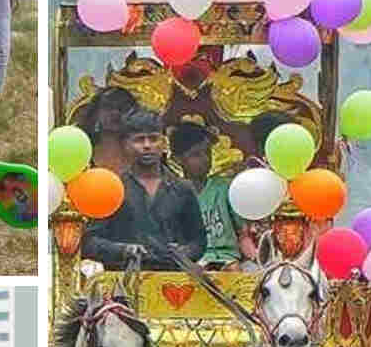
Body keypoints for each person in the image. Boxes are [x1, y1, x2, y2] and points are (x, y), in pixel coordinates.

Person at [81, 109, 207, 269]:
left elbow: (199, 241)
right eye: (139, 140)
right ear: (125, 144)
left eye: (153, 139)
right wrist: (124, 250)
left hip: (172, 283)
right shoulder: (112, 188)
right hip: (124, 282)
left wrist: (184, 252)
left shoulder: (183, 189)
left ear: (163, 143)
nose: (147, 146)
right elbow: (89, 242)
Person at [169, 121, 256, 268]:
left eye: (207, 152)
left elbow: (243, 234)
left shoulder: (225, 188)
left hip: (228, 261)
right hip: (190, 264)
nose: (205, 159)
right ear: (178, 160)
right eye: (195, 155)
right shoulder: (170, 194)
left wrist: (256, 258)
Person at [73, 87, 138, 175]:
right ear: (96, 113)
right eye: (108, 107)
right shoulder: (81, 152)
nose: (115, 113)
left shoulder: (141, 153)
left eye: (122, 107)